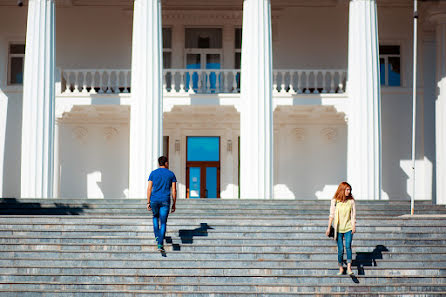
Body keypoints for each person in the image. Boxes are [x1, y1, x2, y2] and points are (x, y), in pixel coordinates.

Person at [147, 156, 177, 252]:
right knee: (163, 222)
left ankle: (157, 237)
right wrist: (174, 203)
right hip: (165, 200)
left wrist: (148, 201)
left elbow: (149, 188)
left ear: (158, 163)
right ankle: (160, 244)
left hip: (154, 199)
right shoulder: (171, 174)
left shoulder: (153, 173)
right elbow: (174, 190)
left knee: (155, 217)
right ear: (166, 163)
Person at [326, 181, 356, 275]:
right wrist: (328, 228)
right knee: (340, 250)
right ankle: (341, 268)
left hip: (348, 228)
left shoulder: (351, 201)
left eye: (350, 189)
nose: (349, 191)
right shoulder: (335, 201)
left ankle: (349, 268)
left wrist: (353, 225)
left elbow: (353, 215)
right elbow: (331, 215)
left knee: (348, 246)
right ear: (342, 190)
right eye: (347, 189)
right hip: (338, 229)